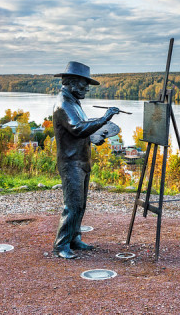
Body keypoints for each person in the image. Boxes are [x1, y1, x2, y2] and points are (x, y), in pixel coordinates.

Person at [52, 61, 119, 259]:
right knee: (72, 205)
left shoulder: (73, 101)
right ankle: (61, 245)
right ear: (71, 82)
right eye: (84, 84)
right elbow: (78, 128)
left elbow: (81, 129)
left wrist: (94, 136)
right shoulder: (63, 104)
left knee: (80, 204)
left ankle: (75, 238)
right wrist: (105, 118)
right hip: (71, 162)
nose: (87, 89)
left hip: (81, 161)